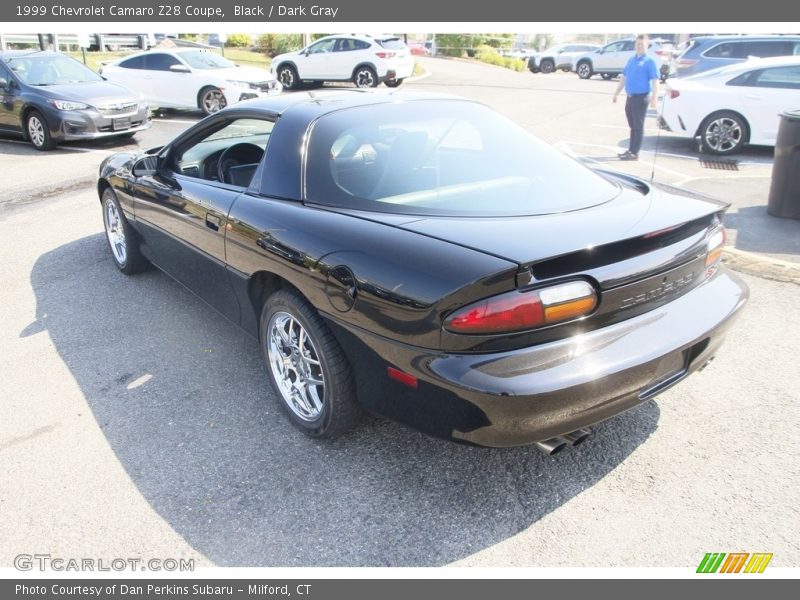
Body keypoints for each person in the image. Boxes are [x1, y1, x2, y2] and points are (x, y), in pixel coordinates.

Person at [612, 35, 659, 161]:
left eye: (642, 44)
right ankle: (631, 150)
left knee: (638, 126)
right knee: (633, 126)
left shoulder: (649, 61)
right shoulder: (631, 60)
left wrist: (654, 98)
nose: (639, 46)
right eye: (637, 44)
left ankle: (635, 153)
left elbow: (655, 80)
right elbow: (624, 78)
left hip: (641, 98)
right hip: (630, 97)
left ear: (647, 45)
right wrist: (616, 93)